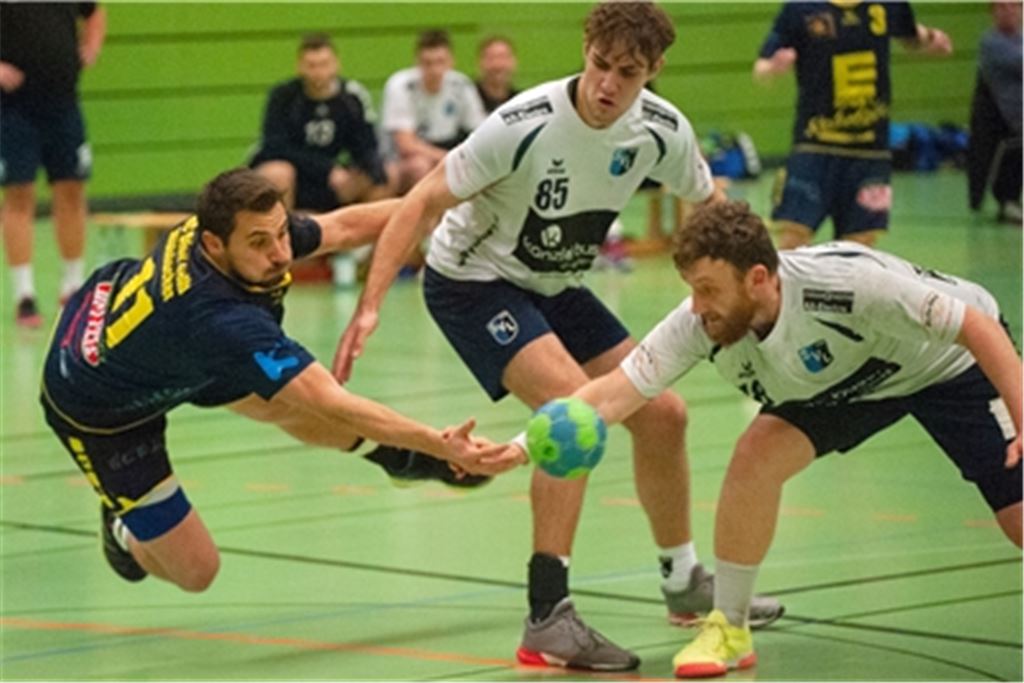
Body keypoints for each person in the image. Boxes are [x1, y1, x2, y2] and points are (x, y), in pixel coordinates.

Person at [335, 2, 782, 671]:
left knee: (662, 413)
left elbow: (710, 205)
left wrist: (748, 287)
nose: (607, 85)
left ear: (653, 70)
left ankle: (684, 578)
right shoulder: (524, 124)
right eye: (599, 65)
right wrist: (370, 304)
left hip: (557, 282)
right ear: (585, 50)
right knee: (574, 414)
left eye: (626, 73)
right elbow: (422, 199)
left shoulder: (662, 130)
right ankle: (547, 615)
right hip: (473, 282)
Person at [565, 199, 1021, 678]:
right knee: (755, 454)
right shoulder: (703, 318)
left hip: (946, 365)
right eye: (692, 290)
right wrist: (516, 450)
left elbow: (977, 327)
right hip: (853, 379)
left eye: (707, 289)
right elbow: (614, 393)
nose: (697, 306)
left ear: (757, 278)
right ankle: (730, 629)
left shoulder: (847, 288)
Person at [39, 168, 522, 593]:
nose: (279, 254)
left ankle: (399, 458)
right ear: (213, 245)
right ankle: (123, 527)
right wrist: (442, 444)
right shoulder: (219, 320)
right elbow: (330, 401)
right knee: (196, 572)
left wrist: (446, 198)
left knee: (277, 402)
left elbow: (345, 226)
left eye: (280, 235)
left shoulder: (241, 226)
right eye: (259, 243)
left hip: (146, 335)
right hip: (99, 407)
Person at [753, 2, 952, 249]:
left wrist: (932, 39)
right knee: (793, 241)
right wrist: (773, 67)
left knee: (859, 251)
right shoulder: (800, 9)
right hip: (814, 147)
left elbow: (910, 34)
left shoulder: (889, 5)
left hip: (870, 153)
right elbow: (760, 67)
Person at [0, 2, 106, 327]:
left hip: (63, 104)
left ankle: (73, 286)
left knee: (72, 190)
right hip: (12, 109)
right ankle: (25, 295)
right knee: (19, 195)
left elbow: (94, 11)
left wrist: (90, 47)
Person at [250, 33, 389, 212]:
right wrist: (327, 170)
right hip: (297, 176)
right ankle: (283, 232)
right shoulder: (283, 96)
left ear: (336, 64)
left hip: (334, 181)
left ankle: (368, 235)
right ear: (299, 67)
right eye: (311, 66)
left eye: (324, 65)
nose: (318, 73)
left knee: (382, 176)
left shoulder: (352, 97)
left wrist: (364, 169)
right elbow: (274, 146)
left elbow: (366, 144)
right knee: (278, 173)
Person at [381, 30, 486, 195]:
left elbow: (480, 131)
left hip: (447, 148)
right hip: (404, 159)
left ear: (451, 61)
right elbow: (406, 145)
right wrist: (448, 159)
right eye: (427, 63)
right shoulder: (401, 86)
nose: (435, 70)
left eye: (440, 62)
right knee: (420, 167)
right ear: (417, 62)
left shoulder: (461, 85)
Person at [967, 1, 1022, 223]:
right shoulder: (991, 43)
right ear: (992, 12)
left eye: (1015, 6)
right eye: (1002, 6)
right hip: (1007, 118)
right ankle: (1007, 200)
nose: (1009, 11)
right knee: (1014, 151)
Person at [475, 36, 520, 113]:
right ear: (480, 63)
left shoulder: (520, 101)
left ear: (514, 63)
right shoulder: (467, 99)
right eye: (491, 58)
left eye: (503, 58)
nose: (498, 65)